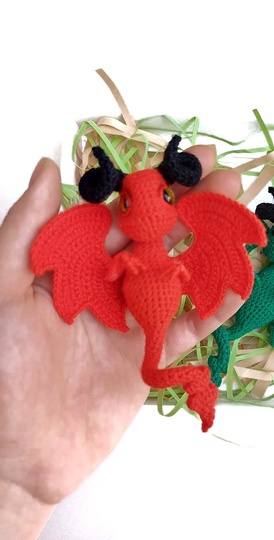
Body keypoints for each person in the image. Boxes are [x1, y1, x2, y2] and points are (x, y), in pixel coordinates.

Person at [0, 144, 244, 539]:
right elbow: (112, 273)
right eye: (129, 204)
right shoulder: (111, 248)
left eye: (165, 198)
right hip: (141, 309)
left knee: (153, 367)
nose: (151, 211)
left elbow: (169, 272)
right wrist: (12, 484)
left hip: (161, 304)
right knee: (152, 370)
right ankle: (195, 379)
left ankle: (195, 379)